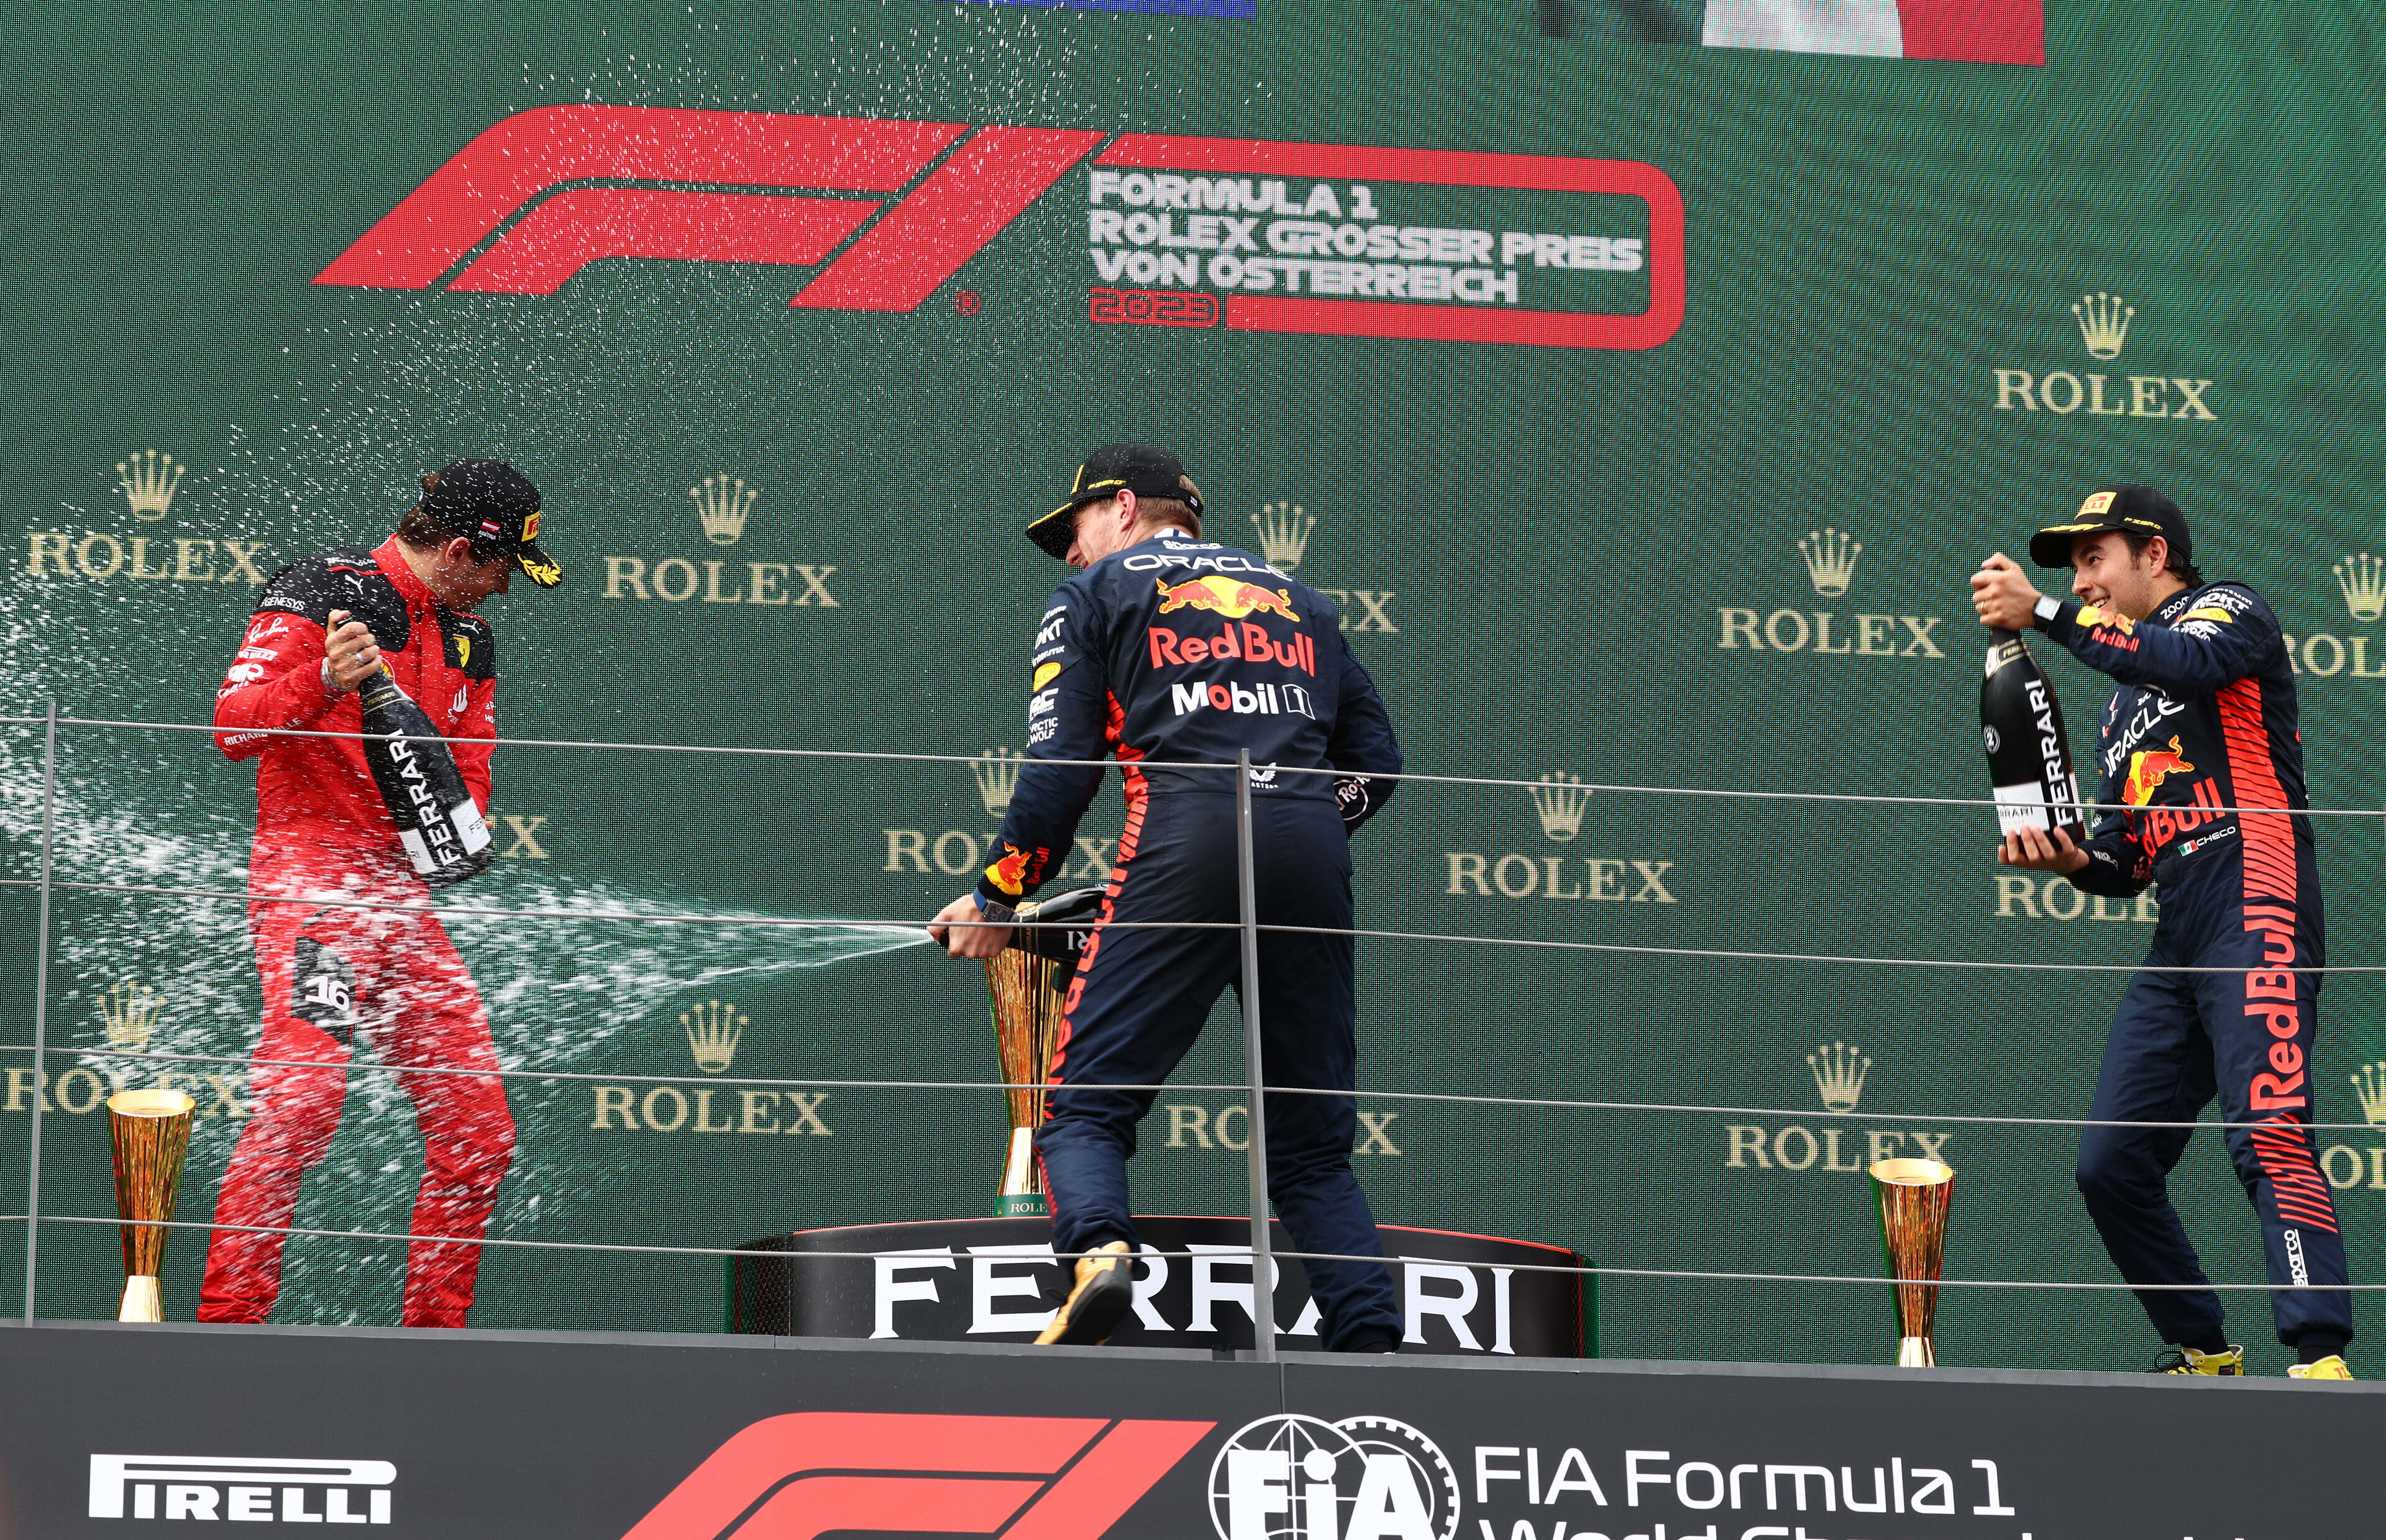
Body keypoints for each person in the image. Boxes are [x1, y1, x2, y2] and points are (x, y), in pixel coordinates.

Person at [928, 444, 1406, 1351]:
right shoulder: (1302, 599)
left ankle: (1101, 1254)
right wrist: (1292, 817)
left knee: (1082, 1107)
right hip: (1309, 849)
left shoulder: (1093, 593)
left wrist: (996, 897)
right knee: (1311, 1147)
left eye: (1073, 528)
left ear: (1119, 507)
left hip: (1183, 835)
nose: (1071, 550)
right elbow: (1376, 765)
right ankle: (1375, 1349)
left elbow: (1061, 770)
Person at [1971, 483, 2352, 1380]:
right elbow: (2125, 860)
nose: (2082, 580)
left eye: (2093, 559)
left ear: (2154, 554)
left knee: (2268, 1127)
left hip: (2256, 886)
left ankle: (2320, 1359)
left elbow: (2186, 661)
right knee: (2110, 1165)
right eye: (2072, 569)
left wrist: (2045, 612)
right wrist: (2071, 859)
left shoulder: (2228, 611)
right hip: (2180, 927)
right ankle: (2207, 1352)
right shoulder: (2119, 708)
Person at [203, 459, 560, 1327]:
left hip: (403, 908)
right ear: (461, 550)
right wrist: (325, 680)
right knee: (304, 1103)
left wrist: (456, 827)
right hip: (316, 895)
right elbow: (233, 728)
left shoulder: (471, 637)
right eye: (502, 567)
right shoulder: (321, 589)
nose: (506, 586)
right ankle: (227, 1335)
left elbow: (471, 771)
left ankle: (433, 1350)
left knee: (480, 1136)